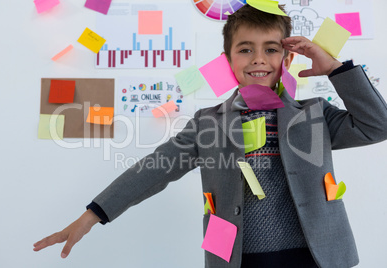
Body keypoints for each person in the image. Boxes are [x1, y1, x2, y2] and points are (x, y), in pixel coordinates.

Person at [33, 4, 387, 268]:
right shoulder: (207, 124)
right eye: (245, 48)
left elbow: (378, 125)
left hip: (318, 256)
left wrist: (337, 69)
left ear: (287, 57)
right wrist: (92, 214)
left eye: (272, 49)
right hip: (240, 259)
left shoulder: (314, 113)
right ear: (228, 59)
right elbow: (153, 170)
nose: (258, 59)